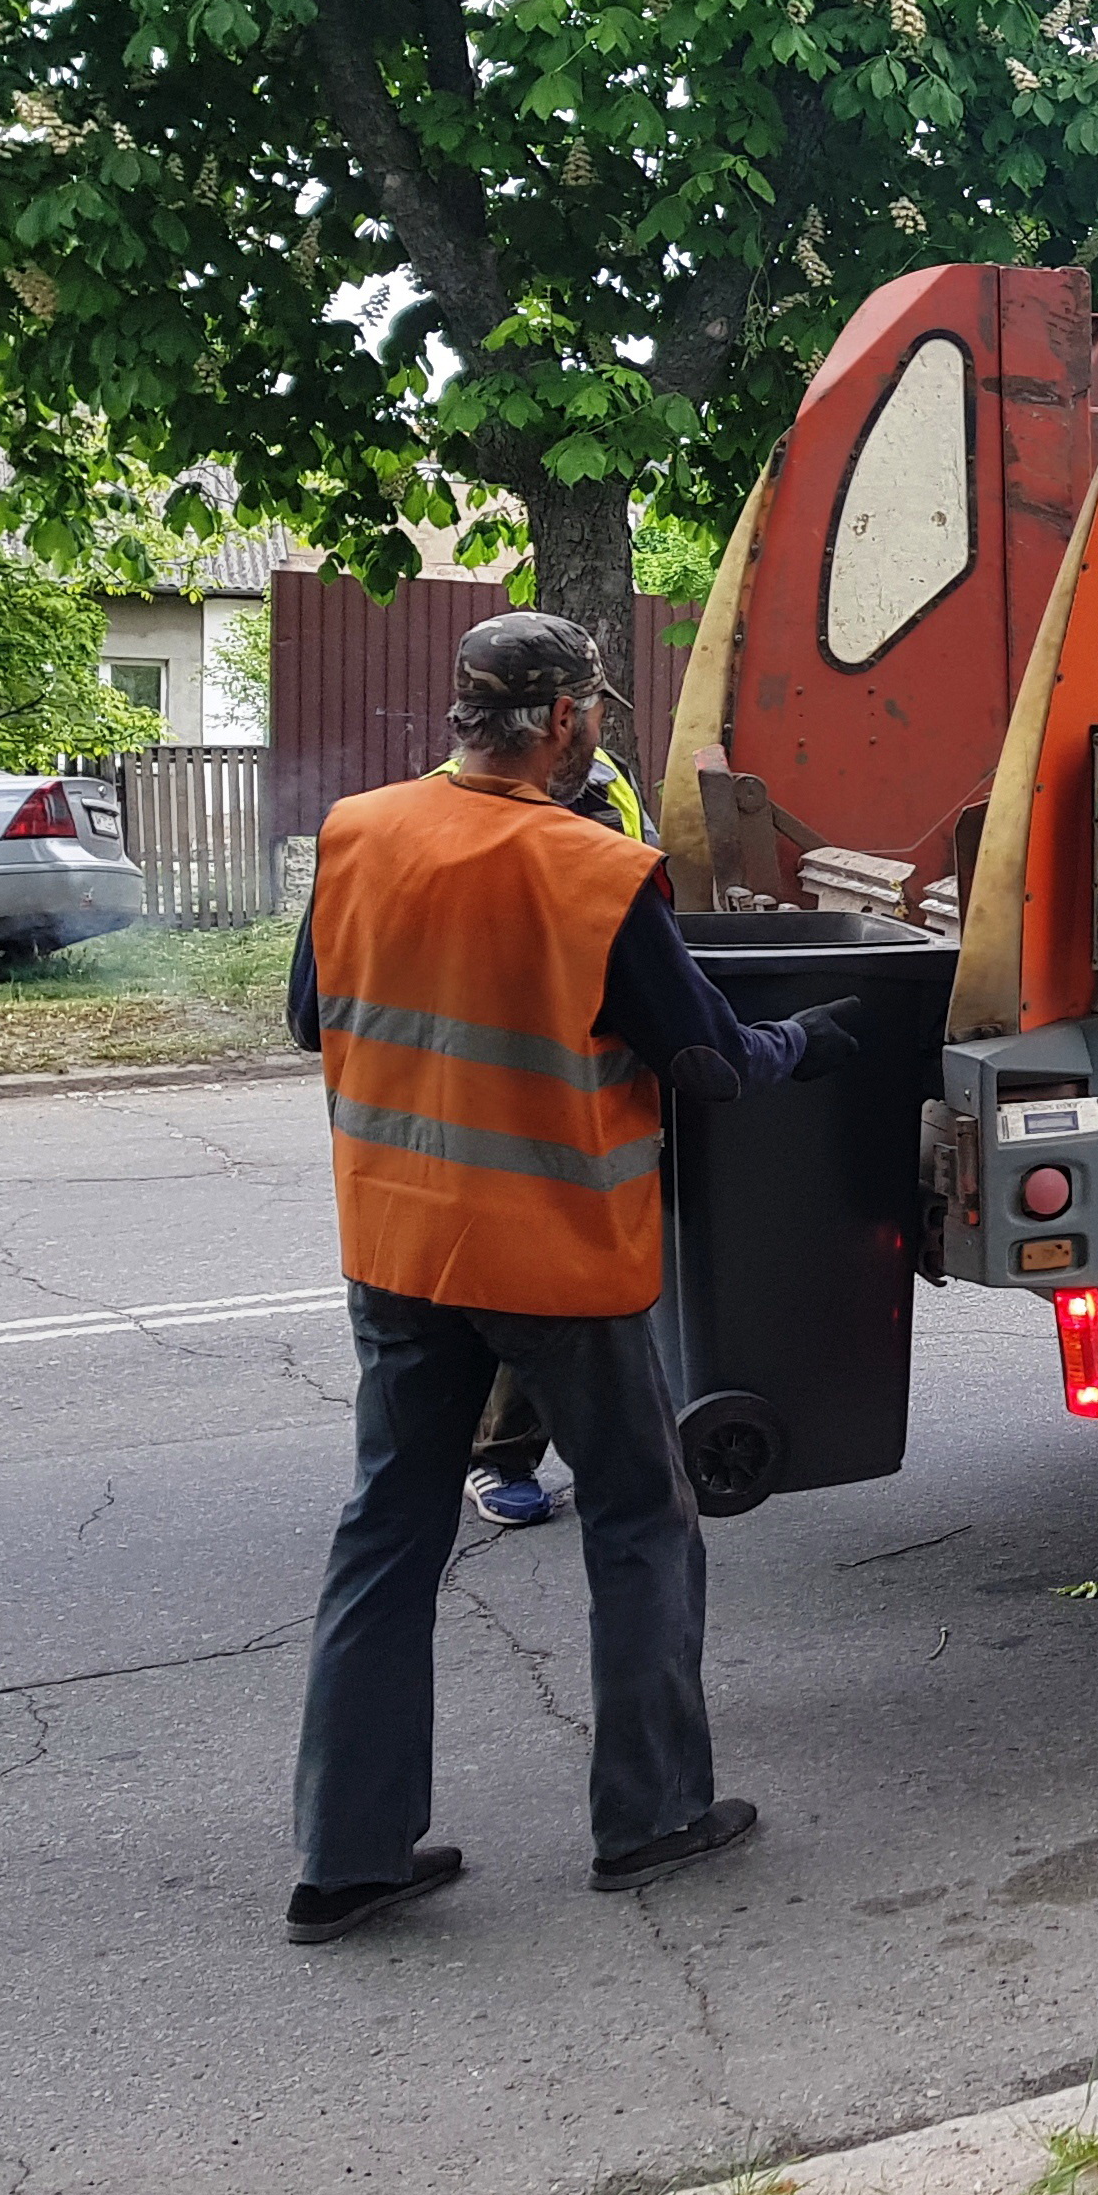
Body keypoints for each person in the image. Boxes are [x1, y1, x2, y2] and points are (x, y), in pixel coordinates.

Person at [281, 611, 859, 1944]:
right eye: (591, 704)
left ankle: (348, 1858)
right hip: (553, 1255)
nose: (597, 720)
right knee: (641, 1519)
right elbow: (708, 1063)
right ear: (561, 721)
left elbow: (316, 1014)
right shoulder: (590, 872)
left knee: (386, 1532)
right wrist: (813, 1046)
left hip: (399, 1246)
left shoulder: (362, 832)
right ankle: (651, 1817)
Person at [431, 732, 648, 1529]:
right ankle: (498, 1456)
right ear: (561, 713)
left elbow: (642, 896)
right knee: (515, 1283)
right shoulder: (444, 807)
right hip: (484, 1088)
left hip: (565, 1090)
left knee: (541, 1285)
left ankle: (496, 1451)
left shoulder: (610, 791)